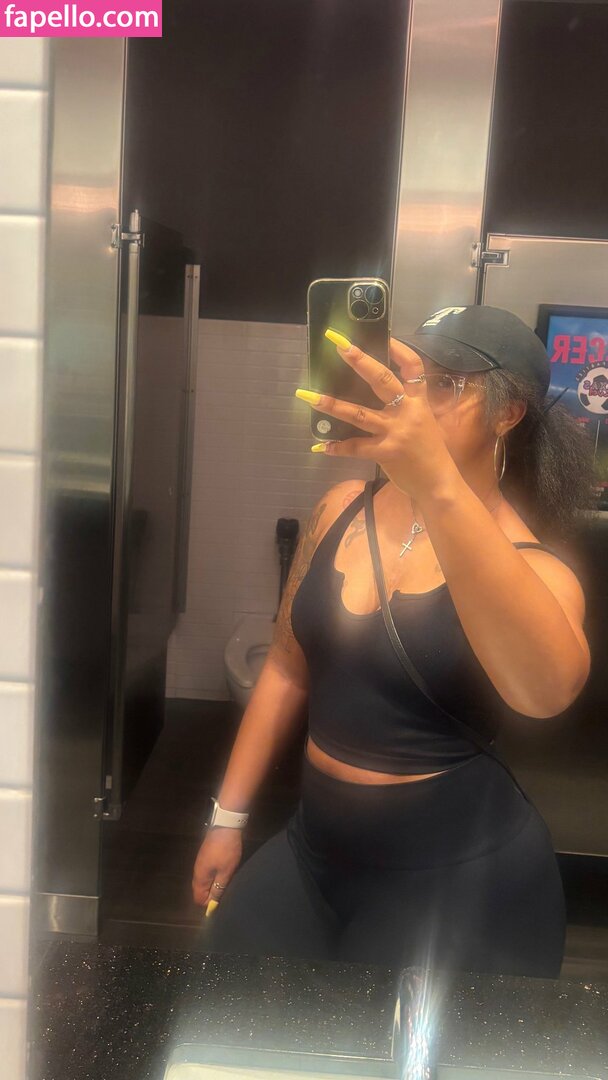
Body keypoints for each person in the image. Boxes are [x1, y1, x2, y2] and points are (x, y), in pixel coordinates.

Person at [192, 305, 594, 977]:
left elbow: (546, 693)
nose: (415, 399)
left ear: (508, 413)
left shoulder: (533, 566)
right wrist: (227, 819)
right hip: (314, 849)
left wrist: (437, 483)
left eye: (447, 383)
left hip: (456, 872)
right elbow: (286, 667)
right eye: (411, 376)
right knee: (223, 1009)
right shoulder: (338, 509)